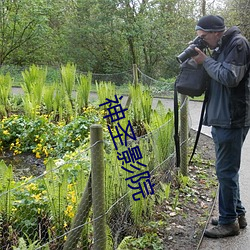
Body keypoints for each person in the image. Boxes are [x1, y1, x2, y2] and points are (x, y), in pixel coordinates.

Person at [192, 15, 250, 238]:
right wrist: (202, 60)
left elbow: (229, 77)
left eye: (204, 37)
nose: (203, 41)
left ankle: (228, 223)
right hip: (222, 117)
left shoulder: (238, 44)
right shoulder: (221, 46)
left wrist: (205, 61)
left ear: (216, 32)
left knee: (225, 171)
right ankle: (237, 214)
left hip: (232, 118)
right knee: (227, 171)